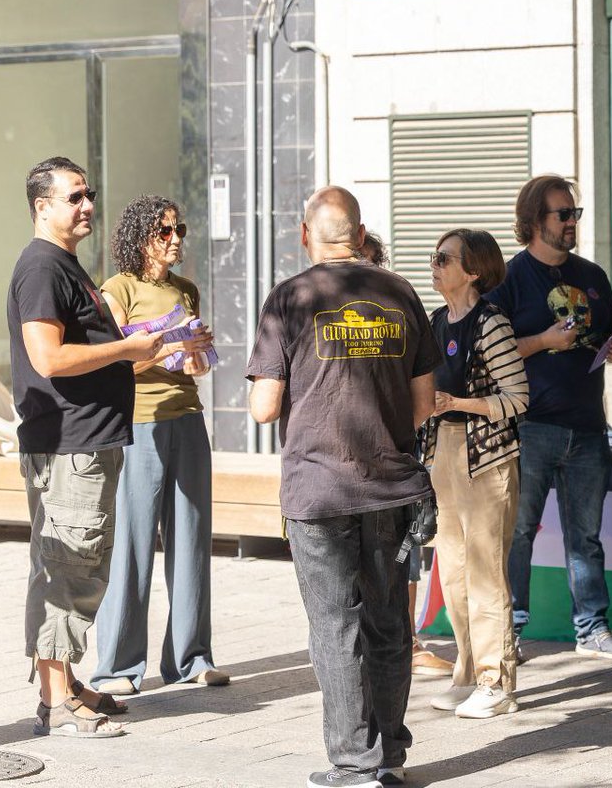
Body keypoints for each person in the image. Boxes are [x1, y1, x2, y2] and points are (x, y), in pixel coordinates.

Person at [248, 186, 440, 788]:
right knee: (388, 624)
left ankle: (353, 765)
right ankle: (390, 756)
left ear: (307, 235)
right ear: (359, 235)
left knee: (335, 627)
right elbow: (425, 404)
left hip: (318, 489)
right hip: (391, 486)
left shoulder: (291, 297)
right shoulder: (401, 292)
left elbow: (262, 407)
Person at [9, 156, 163, 738]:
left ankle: (66, 682)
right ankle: (57, 702)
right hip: (70, 444)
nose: (87, 205)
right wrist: (125, 351)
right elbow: (48, 358)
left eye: (89, 194)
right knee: (69, 569)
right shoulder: (43, 267)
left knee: (74, 565)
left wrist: (142, 349)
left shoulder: (64, 265)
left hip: (85, 440)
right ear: (42, 206)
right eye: (74, 196)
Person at [485, 174, 612, 660]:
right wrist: (543, 342)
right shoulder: (508, 279)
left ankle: (592, 628)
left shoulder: (592, 275)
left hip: (588, 425)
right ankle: (509, 630)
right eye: (563, 214)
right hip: (530, 426)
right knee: (519, 533)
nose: (573, 222)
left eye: (576, 213)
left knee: (585, 536)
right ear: (533, 222)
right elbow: (488, 352)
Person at [91, 195, 227, 696]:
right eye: (164, 231)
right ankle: (117, 668)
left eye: (179, 230)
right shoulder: (117, 289)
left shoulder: (186, 290)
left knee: (192, 540)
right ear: (140, 237)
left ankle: (191, 659)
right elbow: (110, 364)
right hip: (138, 423)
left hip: (187, 419)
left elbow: (197, 365)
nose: (175, 240)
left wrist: (195, 357)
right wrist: (167, 347)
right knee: (131, 544)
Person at [420, 228, 529, 718]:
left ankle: (497, 681)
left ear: (474, 271)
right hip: (442, 454)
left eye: (444, 258)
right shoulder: (436, 320)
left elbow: (518, 398)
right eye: (434, 257)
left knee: (486, 574)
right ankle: (467, 670)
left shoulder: (493, 323)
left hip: (485, 457)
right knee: (456, 571)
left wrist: (457, 403)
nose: (435, 265)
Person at [357, 230, 453, 679]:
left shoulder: (397, 314)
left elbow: (422, 398)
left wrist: (397, 436)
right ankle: (359, 645)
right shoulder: (328, 315)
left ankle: (407, 641)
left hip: (396, 466)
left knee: (404, 558)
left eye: (375, 263)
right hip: (345, 475)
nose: (368, 272)